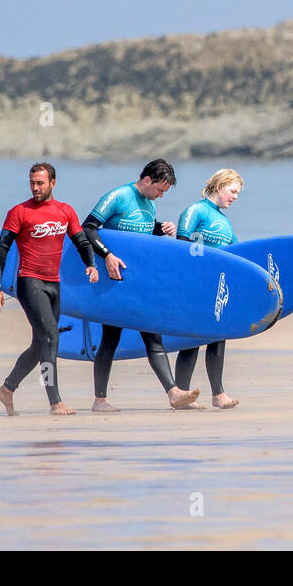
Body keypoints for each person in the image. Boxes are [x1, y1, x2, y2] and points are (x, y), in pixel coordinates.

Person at [80, 158, 202, 411]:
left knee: (153, 335)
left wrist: (160, 228)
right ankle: (100, 400)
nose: (160, 195)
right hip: (114, 283)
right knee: (110, 339)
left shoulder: (149, 204)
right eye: (160, 190)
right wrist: (107, 256)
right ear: (147, 180)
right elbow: (88, 229)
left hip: (140, 282)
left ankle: (173, 393)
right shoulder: (118, 195)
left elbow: (141, 234)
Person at [0, 162, 98, 416]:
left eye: (40, 183)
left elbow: (81, 241)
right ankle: (55, 401)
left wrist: (91, 264)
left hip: (53, 283)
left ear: (52, 183)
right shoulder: (20, 212)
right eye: (32, 183)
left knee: (41, 343)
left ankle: (7, 389)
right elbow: (1, 250)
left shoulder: (65, 211)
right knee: (51, 336)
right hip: (29, 281)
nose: (35, 188)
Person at [173, 168, 243, 410]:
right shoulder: (196, 211)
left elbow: (235, 255)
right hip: (195, 286)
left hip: (217, 286)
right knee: (192, 340)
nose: (235, 197)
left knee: (218, 339)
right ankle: (181, 394)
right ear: (219, 186)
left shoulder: (224, 221)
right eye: (232, 191)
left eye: (237, 193)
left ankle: (218, 394)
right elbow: (183, 248)